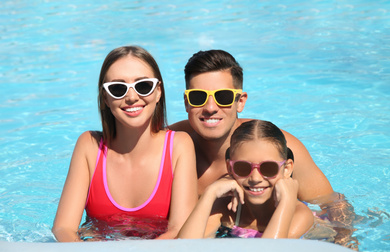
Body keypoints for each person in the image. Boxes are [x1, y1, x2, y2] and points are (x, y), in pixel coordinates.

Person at [170, 49, 357, 247]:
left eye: (223, 97)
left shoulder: (277, 147)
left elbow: (332, 202)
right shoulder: (171, 146)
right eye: (198, 97)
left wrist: (345, 241)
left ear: (240, 101)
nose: (210, 107)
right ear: (186, 102)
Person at [52, 46, 198, 242]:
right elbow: (63, 228)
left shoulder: (179, 146)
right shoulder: (89, 146)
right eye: (118, 88)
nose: (131, 97)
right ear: (105, 97)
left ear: (158, 92)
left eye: (143, 86)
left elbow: (178, 231)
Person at [178, 120, 314, 239]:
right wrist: (210, 193)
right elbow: (183, 248)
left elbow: (271, 250)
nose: (255, 178)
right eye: (243, 168)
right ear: (230, 168)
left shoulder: (299, 214)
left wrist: (287, 202)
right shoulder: (226, 209)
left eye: (268, 168)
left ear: (287, 169)